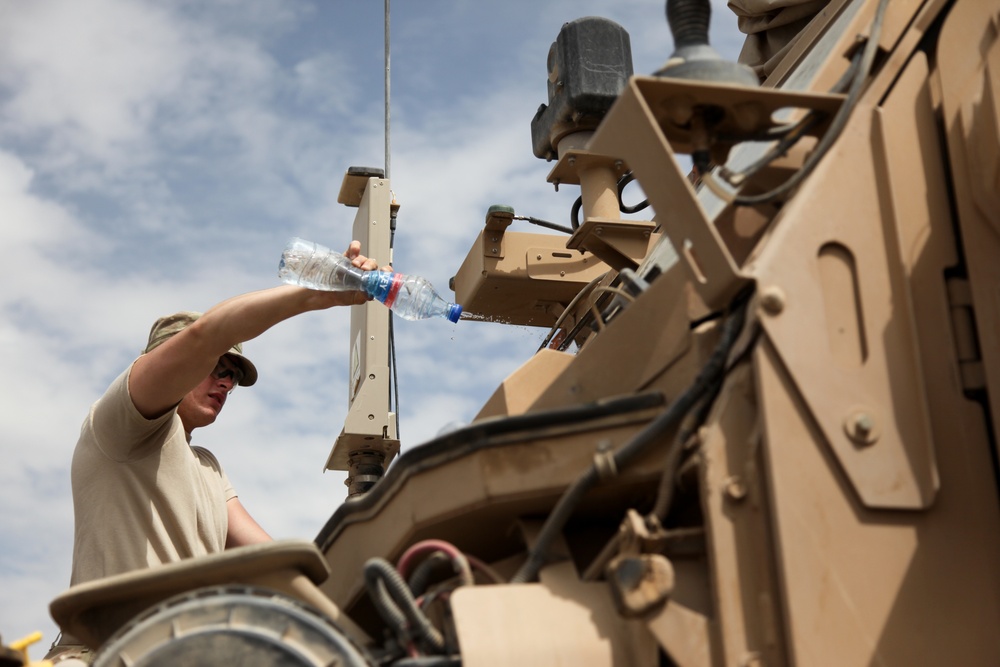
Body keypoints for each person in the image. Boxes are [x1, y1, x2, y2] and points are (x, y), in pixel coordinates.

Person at [46, 241, 378, 664]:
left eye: (233, 376)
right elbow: (210, 333)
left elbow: (273, 562)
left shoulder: (207, 468)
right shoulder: (120, 426)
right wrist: (315, 294)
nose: (225, 383)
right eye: (216, 368)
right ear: (169, 361)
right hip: (106, 653)